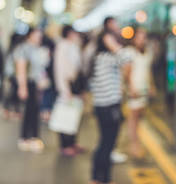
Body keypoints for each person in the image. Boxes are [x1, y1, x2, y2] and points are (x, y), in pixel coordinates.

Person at [89, 30, 131, 184]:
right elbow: (127, 58)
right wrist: (113, 46)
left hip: (102, 105)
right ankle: (103, 179)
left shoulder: (98, 57)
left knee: (104, 142)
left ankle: (96, 177)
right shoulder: (105, 58)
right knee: (108, 143)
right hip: (109, 106)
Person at [14, 27, 49, 153]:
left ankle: (33, 137)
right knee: (29, 111)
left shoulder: (38, 49)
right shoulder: (24, 49)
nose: (39, 37)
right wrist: (22, 87)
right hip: (28, 83)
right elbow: (21, 69)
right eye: (37, 35)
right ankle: (25, 138)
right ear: (30, 35)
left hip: (37, 83)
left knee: (34, 111)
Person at [53, 25, 86, 157]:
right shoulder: (62, 46)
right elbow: (60, 68)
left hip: (76, 84)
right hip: (67, 85)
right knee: (65, 115)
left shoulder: (74, 46)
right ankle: (64, 145)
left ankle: (72, 142)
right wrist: (64, 88)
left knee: (74, 114)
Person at [126, 26, 157, 159]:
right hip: (135, 88)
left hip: (143, 88)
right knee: (134, 116)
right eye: (140, 36)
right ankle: (134, 145)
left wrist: (151, 85)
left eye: (144, 36)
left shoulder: (147, 51)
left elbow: (148, 70)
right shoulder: (129, 52)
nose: (142, 39)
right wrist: (131, 87)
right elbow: (127, 72)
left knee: (139, 116)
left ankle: (135, 142)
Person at [2, 33, 24, 121]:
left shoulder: (11, 49)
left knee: (11, 94)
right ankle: (14, 111)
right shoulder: (17, 50)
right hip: (13, 75)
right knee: (13, 94)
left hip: (11, 75)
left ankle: (8, 110)